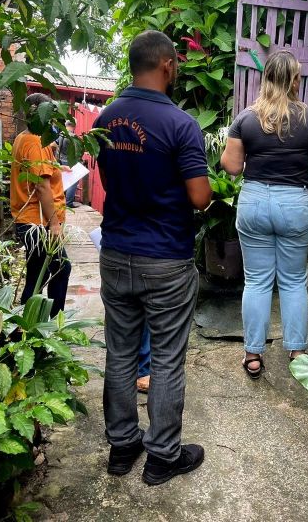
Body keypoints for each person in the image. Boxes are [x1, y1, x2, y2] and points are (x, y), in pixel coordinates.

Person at [95, 30, 212, 485]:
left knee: (120, 353)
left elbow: (111, 181)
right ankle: (163, 455)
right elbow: (200, 197)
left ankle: (123, 448)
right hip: (165, 256)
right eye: (177, 62)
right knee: (165, 358)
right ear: (166, 64)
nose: (178, 67)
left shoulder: (106, 118)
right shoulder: (180, 124)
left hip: (117, 251)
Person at [221, 51, 308, 378]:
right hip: (292, 203)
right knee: (293, 281)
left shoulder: (246, 118)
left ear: (265, 77)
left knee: (256, 281)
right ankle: (297, 353)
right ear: (296, 80)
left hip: (254, 200)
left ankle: (253, 355)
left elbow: (230, 167)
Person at [10, 93, 71, 317]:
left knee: (39, 275)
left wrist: (56, 167)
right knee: (59, 270)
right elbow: (42, 188)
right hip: (39, 223)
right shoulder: (37, 141)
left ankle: (26, 326)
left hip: (28, 219)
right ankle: (50, 325)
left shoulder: (23, 137)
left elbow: (37, 175)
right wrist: (54, 224)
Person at [56, 120, 80, 207]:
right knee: (73, 182)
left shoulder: (61, 134)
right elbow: (77, 151)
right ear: (74, 125)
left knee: (63, 180)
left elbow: (56, 145)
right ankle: (69, 202)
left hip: (61, 159)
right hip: (69, 161)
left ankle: (60, 200)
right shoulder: (72, 136)